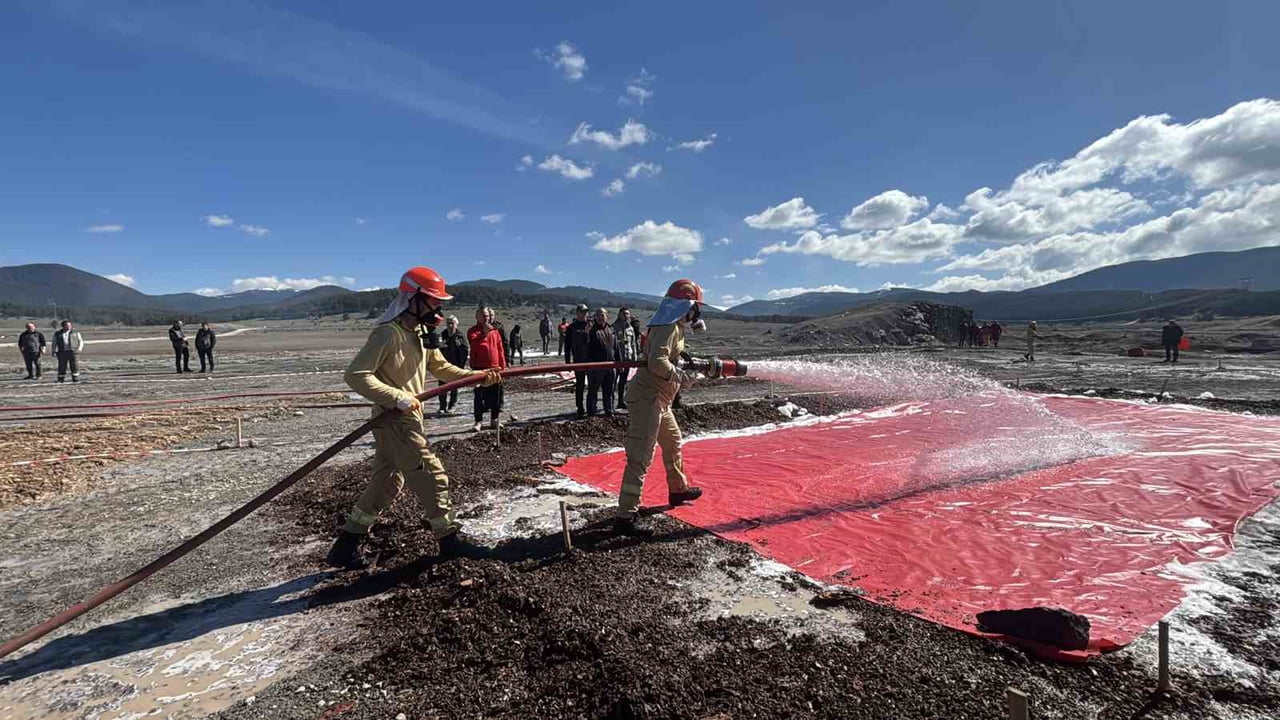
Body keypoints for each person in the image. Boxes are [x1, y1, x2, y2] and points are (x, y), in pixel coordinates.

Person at [327, 266, 502, 569]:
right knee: (431, 474)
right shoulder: (388, 334)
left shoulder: (420, 334)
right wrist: (397, 396)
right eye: (433, 300)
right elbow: (355, 375)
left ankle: (345, 546)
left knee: (386, 482)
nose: (438, 307)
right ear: (413, 298)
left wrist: (478, 376)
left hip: (405, 417)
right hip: (394, 418)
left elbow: (443, 369)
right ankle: (449, 540)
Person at [614, 279, 707, 537]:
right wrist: (681, 376)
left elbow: (669, 356)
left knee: (673, 441)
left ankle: (677, 490)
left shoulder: (674, 326)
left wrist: (686, 362)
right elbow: (657, 363)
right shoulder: (667, 326)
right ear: (686, 304)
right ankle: (625, 516)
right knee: (640, 456)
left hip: (660, 400)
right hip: (648, 399)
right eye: (695, 308)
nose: (696, 314)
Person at [468, 306, 508, 432]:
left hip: (495, 367)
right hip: (479, 367)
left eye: (487, 315)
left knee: (496, 394)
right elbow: (474, 343)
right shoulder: (472, 331)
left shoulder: (495, 331)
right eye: (483, 315)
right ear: (477, 317)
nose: (486, 318)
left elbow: (500, 348)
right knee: (479, 395)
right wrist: (484, 333)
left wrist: (503, 365)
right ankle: (478, 421)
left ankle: (494, 419)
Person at [585, 308, 617, 416]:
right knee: (593, 390)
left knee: (609, 390)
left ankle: (609, 410)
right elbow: (586, 348)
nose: (600, 317)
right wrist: (587, 334)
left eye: (602, 315)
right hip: (596, 367)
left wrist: (619, 362)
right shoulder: (592, 330)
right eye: (597, 315)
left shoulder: (611, 329)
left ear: (606, 316)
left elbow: (616, 348)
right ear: (595, 317)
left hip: (610, 365)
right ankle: (591, 412)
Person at [564, 304, 592, 418]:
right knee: (580, 385)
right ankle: (580, 407)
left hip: (591, 359)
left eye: (586, 312)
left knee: (592, 385)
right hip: (578, 360)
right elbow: (567, 345)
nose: (585, 314)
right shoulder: (572, 327)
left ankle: (591, 406)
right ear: (577, 313)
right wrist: (568, 362)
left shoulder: (591, 325)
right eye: (582, 312)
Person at [438, 315, 469, 414]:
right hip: (443, 366)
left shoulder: (460, 336)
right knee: (442, 387)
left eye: (452, 323)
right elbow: (437, 349)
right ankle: (442, 406)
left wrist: (461, 366)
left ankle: (452, 405)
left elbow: (465, 350)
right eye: (448, 323)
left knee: (454, 387)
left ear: (456, 324)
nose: (450, 325)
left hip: (456, 365)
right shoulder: (443, 335)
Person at [613, 307, 640, 410]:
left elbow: (633, 343)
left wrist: (634, 357)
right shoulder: (614, 327)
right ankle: (611, 401)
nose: (626, 316)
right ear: (619, 315)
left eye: (627, 314)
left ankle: (620, 401)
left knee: (623, 381)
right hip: (616, 359)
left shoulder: (630, 329)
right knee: (614, 381)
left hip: (627, 358)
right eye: (624, 313)